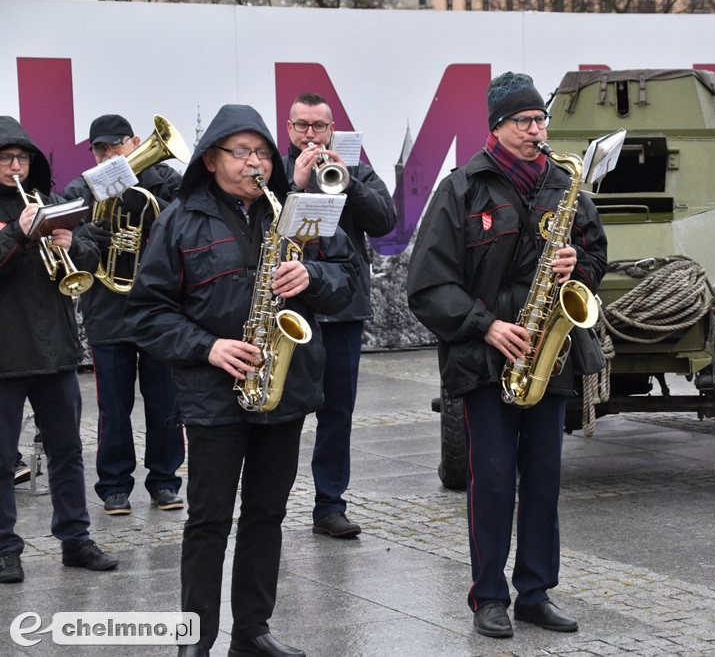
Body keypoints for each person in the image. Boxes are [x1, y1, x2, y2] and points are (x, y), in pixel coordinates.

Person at [125, 104, 358, 657]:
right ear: (211, 159)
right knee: (208, 520)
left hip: (284, 386)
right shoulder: (178, 219)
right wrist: (208, 346)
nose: (255, 163)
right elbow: (147, 312)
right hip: (214, 391)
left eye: (262, 153)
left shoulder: (299, 210)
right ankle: (195, 638)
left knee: (266, 515)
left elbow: (348, 280)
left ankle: (252, 630)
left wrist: (312, 274)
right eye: (241, 152)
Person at [407, 72, 607, 638]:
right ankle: (489, 595)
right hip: (485, 359)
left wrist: (579, 266)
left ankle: (536, 592)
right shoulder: (461, 189)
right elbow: (427, 284)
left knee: (544, 479)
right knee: (492, 481)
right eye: (524, 121)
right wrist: (487, 326)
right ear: (496, 127)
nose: (537, 131)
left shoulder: (566, 185)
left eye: (541, 120)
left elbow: (596, 257)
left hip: (549, 354)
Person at [0, 116, 118, 583]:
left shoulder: (49, 202)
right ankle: (5, 548)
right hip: (5, 354)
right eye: (6, 158)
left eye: (22, 158)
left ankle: (76, 538)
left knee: (67, 450)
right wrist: (18, 233)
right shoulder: (24, 214)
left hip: (57, 351)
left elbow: (88, 253)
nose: (16, 166)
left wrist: (73, 243)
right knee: (1, 459)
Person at [284, 92, 396, 539]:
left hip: (343, 310)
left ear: (332, 131)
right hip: (291, 310)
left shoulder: (356, 170)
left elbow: (385, 221)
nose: (310, 134)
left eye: (319, 126)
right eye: (302, 125)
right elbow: (263, 228)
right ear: (289, 129)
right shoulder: (273, 170)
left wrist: (349, 182)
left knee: (337, 413)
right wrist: (294, 186)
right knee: (284, 412)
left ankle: (329, 506)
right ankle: (270, 505)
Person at [64, 114, 185, 516]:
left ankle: (165, 481)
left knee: (165, 402)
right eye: (99, 148)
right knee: (113, 408)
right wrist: (81, 236)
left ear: (134, 142)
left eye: (114, 145)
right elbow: (61, 238)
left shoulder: (165, 181)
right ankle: (114, 486)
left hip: (160, 310)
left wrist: (151, 214)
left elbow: (188, 225)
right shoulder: (81, 188)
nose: (107, 154)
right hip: (107, 312)